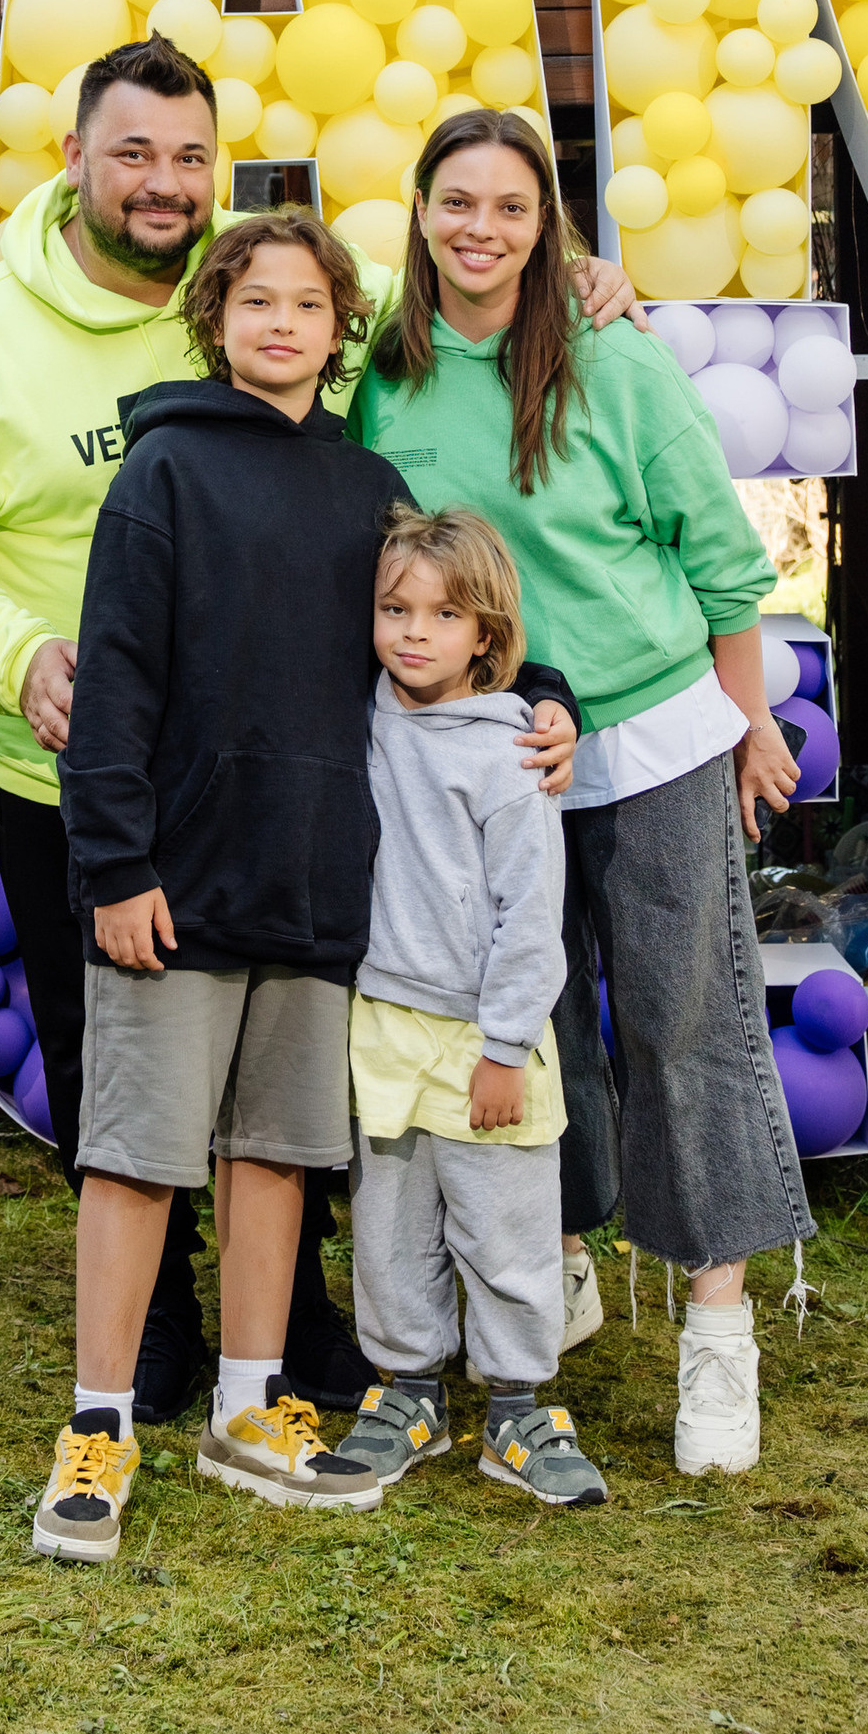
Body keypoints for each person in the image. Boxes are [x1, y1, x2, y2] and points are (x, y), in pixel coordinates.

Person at [0, 34, 624, 1417]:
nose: (162, 184)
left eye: (187, 159)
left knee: (294, 1072)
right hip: (73, 767)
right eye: (133, 155)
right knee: (120, 1066)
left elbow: (437, 294)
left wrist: (565, 283)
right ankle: (147, 1336)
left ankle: (285, 1329)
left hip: (279, 782)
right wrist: (7, 652)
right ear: (75, 162)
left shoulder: (267, 290)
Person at [356, 107, 810, 1478]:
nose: (479, 230)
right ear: (419, 211)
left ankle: (717, 1329)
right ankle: (550, 1266)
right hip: (485, 762)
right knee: (530, 1035)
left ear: (546, 224)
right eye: (455, 202)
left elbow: (721, 562)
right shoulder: (385, 369)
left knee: (681, 1026)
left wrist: (745, 720)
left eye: (509, 206)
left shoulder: (609, 356)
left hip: (648, 741)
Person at [33, 208, 405, 1558]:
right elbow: (115, 677)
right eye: (257, 303)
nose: (282, 326)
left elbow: (427, 639)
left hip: (310, 881)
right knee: (133, 1160)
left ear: (335, 329)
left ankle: (253, 1411)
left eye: (308, 306)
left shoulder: (366, 491)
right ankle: (97, 1426)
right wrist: (114, 864)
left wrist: (526, 688)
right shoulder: (164, 474)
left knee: (275, 1155)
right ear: (216, 321)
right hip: (172, 887)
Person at [339, 504, 606, 1507]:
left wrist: (502, 1043)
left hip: (488, 1036)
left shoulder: (514, 754)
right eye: (393, 608)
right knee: (389, 1226)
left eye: (444, 615)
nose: (413, 631)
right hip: (384, 1024)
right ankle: (407, 1392)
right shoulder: (358, 715)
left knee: (505, 1232)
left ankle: (516, 1410)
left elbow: (530, 919)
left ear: (486, 634)